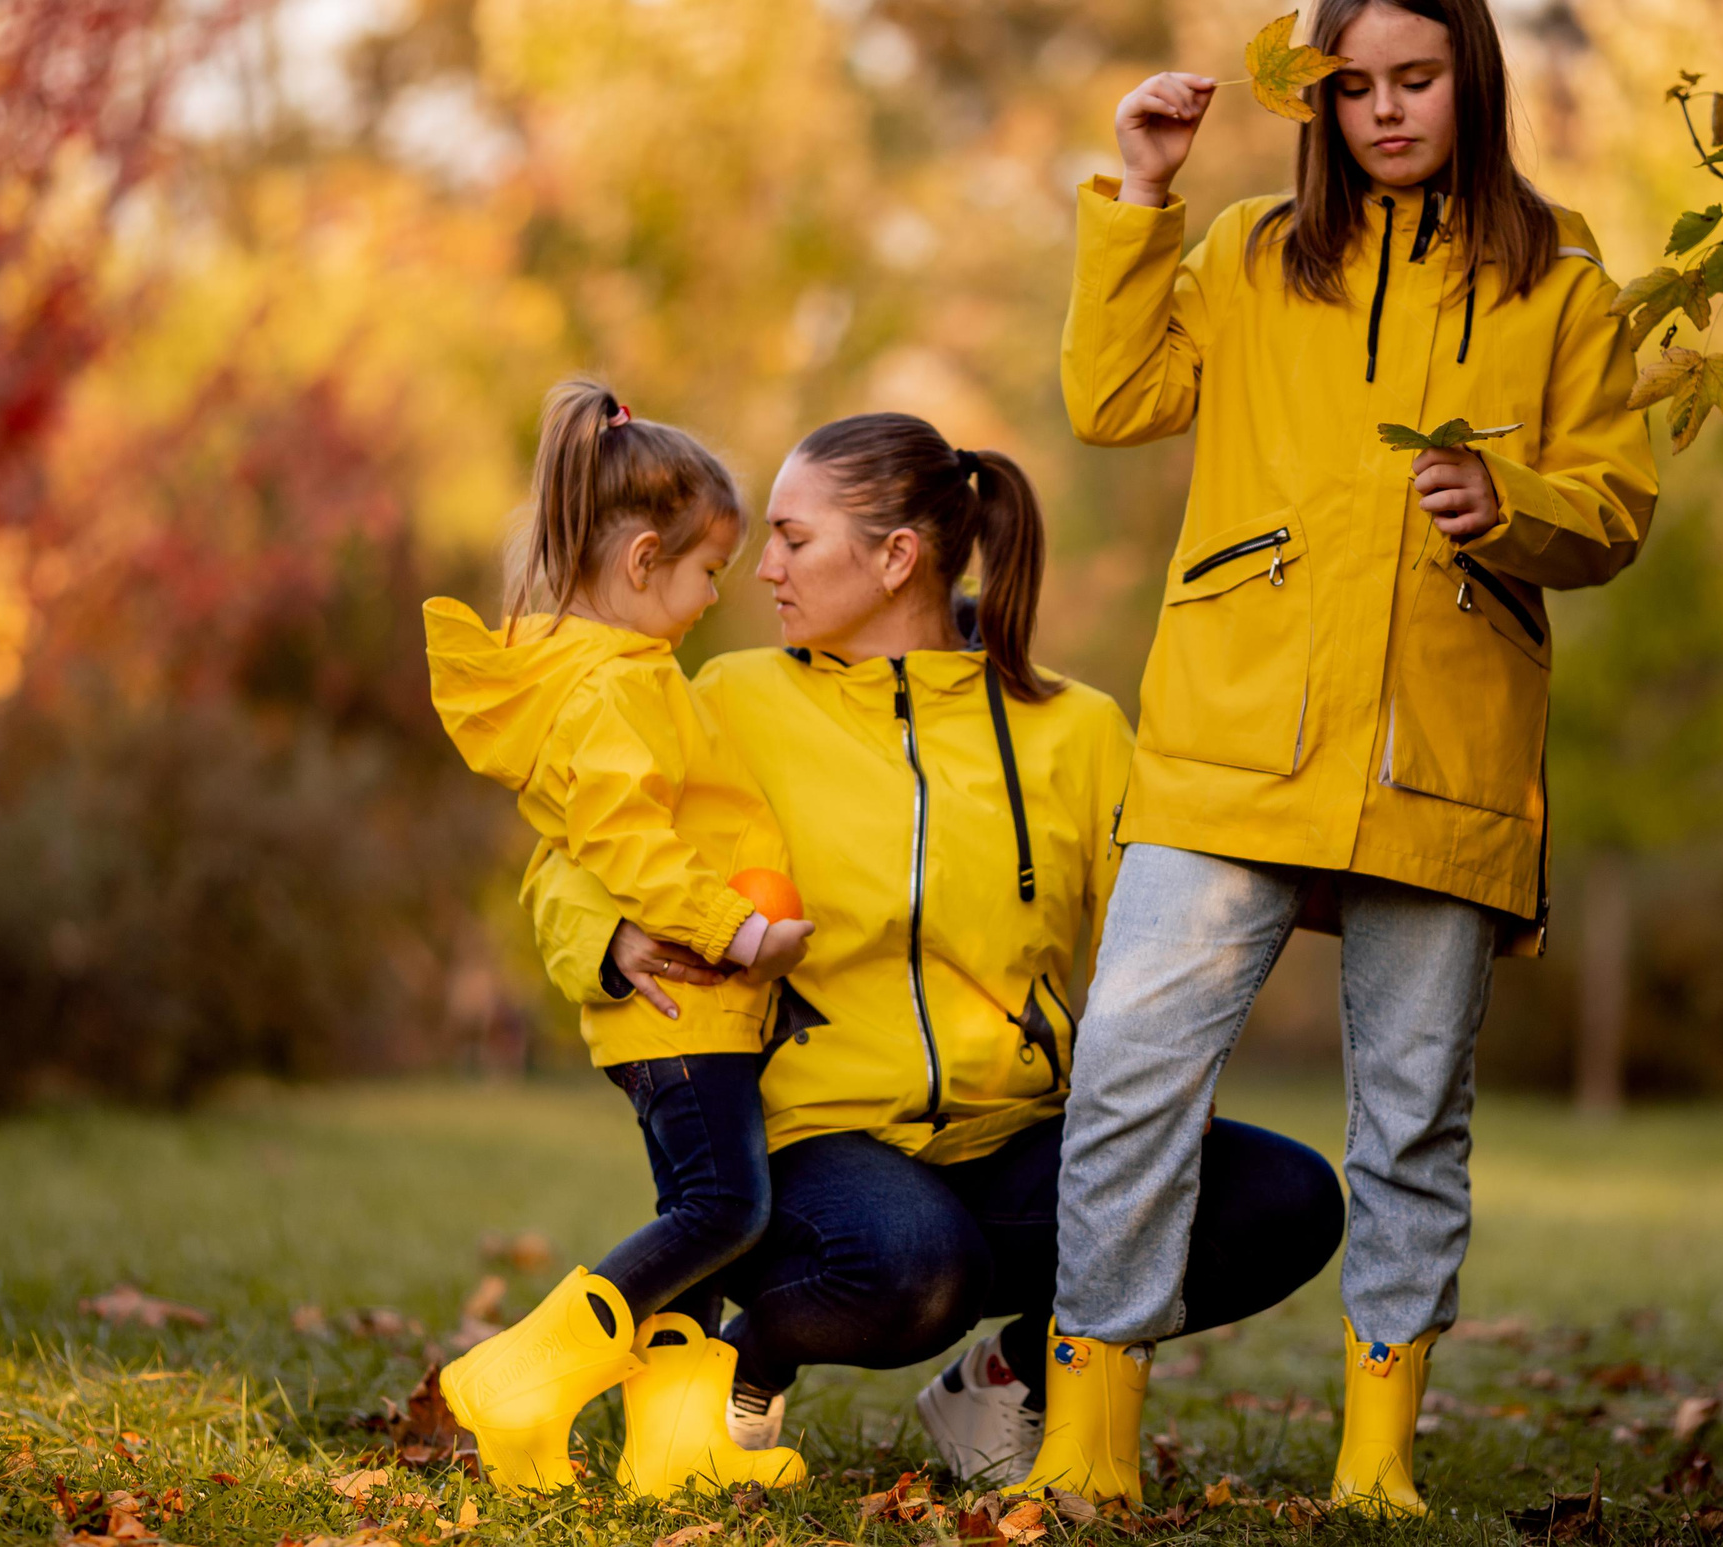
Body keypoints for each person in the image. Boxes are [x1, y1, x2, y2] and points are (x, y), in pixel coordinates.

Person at [1020, 0, 1657, 1516]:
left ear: (1473, 79)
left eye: (1416, 79)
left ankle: (1377, 1462)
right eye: (1355, 84)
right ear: (1316, 96)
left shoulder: (1563, 277)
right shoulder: (1249, 251)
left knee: (1413, 1114)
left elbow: (1617, 507)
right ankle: (1088, 1435)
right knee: (1129, 1072)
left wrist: (1514, 499)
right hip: (1228, 739)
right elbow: (1111, 399)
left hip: (1441, 754)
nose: (1385, 110)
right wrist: (1142, 191)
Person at [527, 413, 1347, 1486]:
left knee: (1285, 1198)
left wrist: (1177, 1066)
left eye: (793, 538)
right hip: (812, 1143)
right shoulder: (728, 701)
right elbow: (573, 854)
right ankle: (750, 1359)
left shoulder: (1075, 730)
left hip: (1019, 1136)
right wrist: (610, 932)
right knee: (916, 1267)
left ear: (897, 556)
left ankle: (1008, 1380)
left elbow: (1169, 932)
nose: (764, 568)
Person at [421, 379, 815, 1496]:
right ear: (645, 560)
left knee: (702, 1221)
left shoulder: (631, 676)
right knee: (725, 1209)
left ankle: (672, 1447)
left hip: (701, 1008)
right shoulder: (609, 693)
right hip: (685, 1003)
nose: (716, 596)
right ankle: (521, 1372)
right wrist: (739, 931)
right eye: (709, 572)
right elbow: (625, 840)